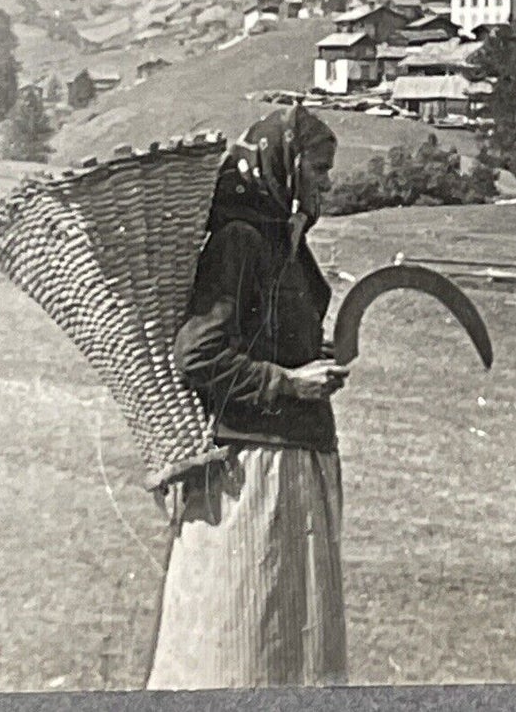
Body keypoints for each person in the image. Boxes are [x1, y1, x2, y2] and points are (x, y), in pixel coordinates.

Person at [147, 105, 350, 689]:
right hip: (255, 479)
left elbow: (266, 336)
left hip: (294, 468)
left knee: (288, 644)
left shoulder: (285, 243)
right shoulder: (240, 239)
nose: (327, 182)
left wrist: (311, 354)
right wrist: (289, 382)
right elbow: (199, 356)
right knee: (243, 639)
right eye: (319, 168)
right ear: (284, 165)